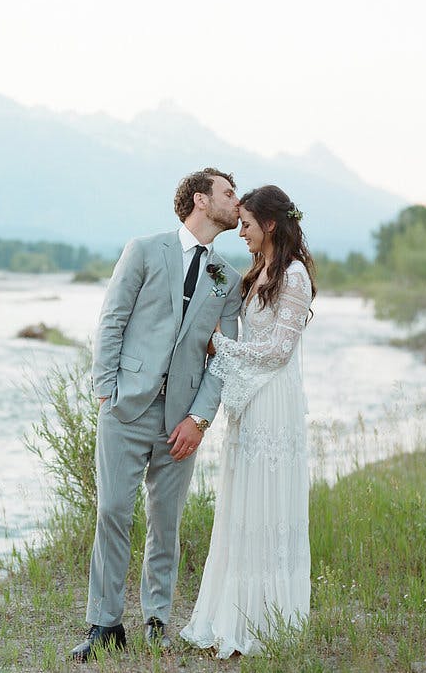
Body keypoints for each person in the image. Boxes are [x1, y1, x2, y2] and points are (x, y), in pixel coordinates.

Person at [70, 168, 244, 662]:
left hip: (182, 420)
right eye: (229, 194)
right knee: (112, 512)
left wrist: (201, 418)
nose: (238, 202)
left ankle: (155, 619)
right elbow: (113, 318)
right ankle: (104, 623)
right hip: (126, 408)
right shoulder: (144, 250)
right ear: (200, 201)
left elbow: (224, 356)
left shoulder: (226, 279)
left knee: (165, 521)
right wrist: (106, 388)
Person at [179, 184, 317, 657]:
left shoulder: (294, 276)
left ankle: (267, 618)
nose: (241, 232)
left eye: (247, 224)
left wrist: (224, 348)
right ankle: (234, 611)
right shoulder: (258, 272)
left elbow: (281, 349)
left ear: (271, 224)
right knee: (242, 502)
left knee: (268, 501)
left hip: (274, 399)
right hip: (249, 399)